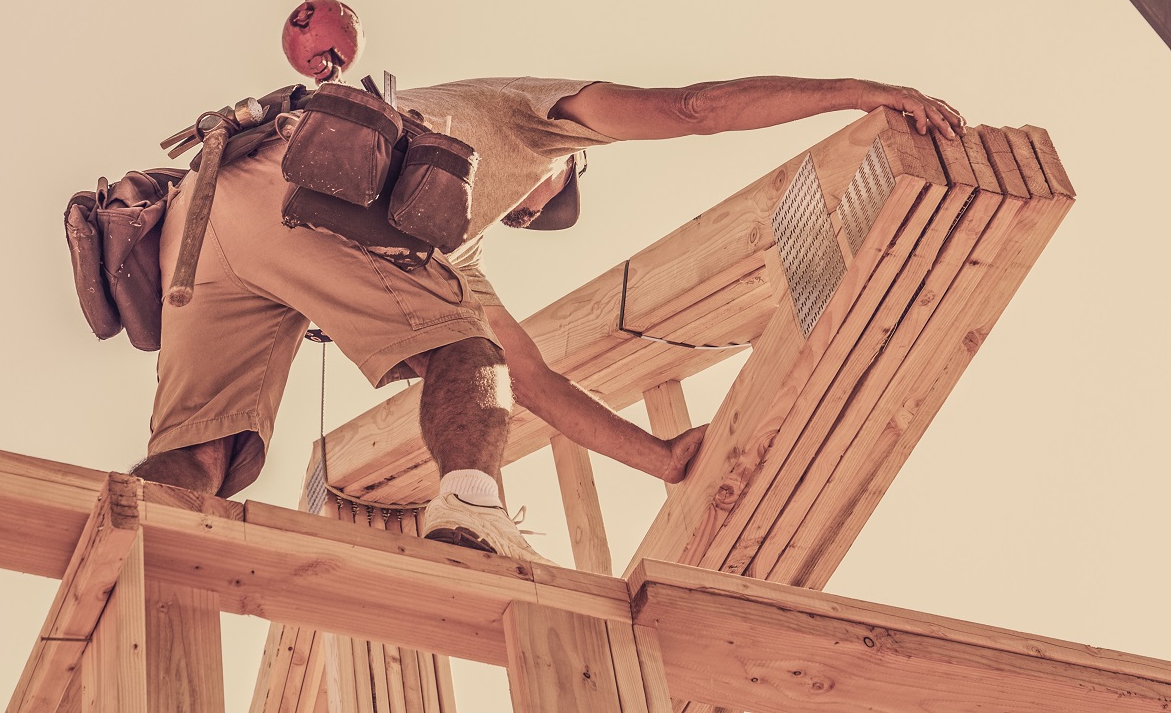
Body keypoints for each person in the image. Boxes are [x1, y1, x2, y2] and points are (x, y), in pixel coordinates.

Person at [133, 75, 964, 563]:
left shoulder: (450, 255)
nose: (528, 213)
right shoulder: (536, 119)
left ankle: (121, 545)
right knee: (466, 352)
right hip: (310, 186)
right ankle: (468, 509)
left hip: (199, 211)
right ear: (565, 171)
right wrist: (862, 92)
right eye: (551, 201)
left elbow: (529, 382)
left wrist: (664, 459)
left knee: (201, 446)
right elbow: (690, 109)